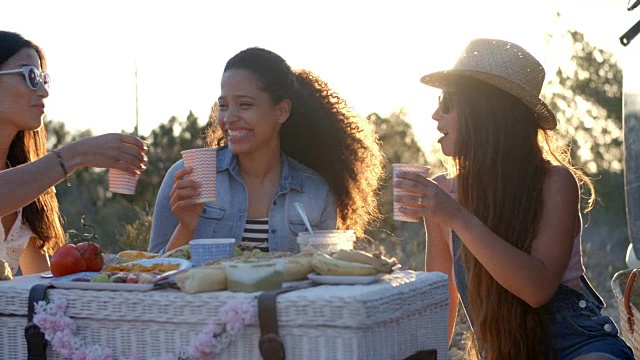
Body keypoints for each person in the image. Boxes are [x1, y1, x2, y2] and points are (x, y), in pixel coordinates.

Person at [394, 38, 634, 359]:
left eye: (447, 102)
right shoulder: (442, 192)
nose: (435, 114)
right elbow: (442, 298)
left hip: (576, 345)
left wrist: (458, 217)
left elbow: (537, 290)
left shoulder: (555, 182)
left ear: (486, 113)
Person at [149, 47, 384, 254]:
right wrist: (187, 226)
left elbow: (323, 278)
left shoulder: (316, 192)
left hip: (284, 306)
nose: (229, 118)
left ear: (281, 111)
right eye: (223, 106)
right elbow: (153, 275)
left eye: (245, 105)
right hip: (204, 306)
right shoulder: (188, 176)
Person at [0, 30, 148, 276]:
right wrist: (75, 155)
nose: (43, 91)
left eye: (43, 79)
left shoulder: (27, 179)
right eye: (30, 76)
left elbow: (40, 279)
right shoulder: (30, 179)